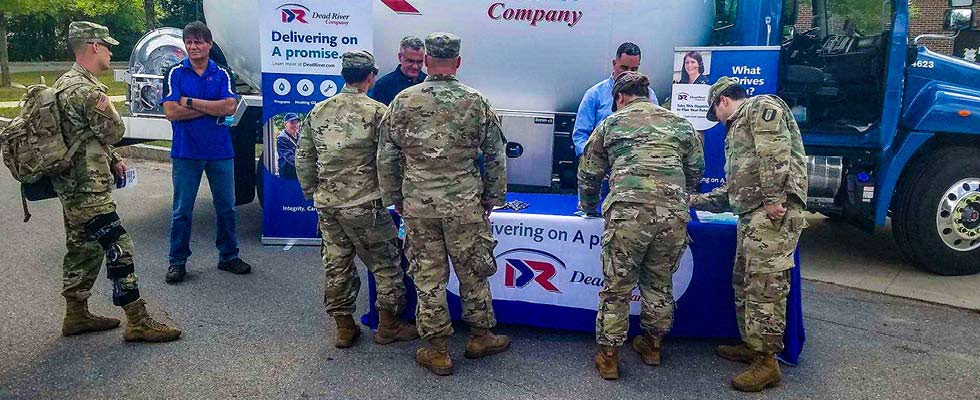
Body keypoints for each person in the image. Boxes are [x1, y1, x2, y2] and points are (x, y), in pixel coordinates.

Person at [378, 32, 509, 376]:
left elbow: (386, 155)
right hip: (465, 203)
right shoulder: (476, 100)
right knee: (474, 271)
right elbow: (496, 153)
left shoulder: (404, 100)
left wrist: (396, 198)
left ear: (426, 60)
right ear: (458, 62)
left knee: (428, 276)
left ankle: (437, 350)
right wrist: (493, 196)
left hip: (419, 204)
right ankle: (480, 335)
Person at [52, 21, 181, 342]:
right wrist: (112, 144)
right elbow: (114, 131)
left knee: (83, 248)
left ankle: (76, 314)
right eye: (107, 46)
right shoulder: (87, 91)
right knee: (119, 246)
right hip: (88, 188)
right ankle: (137, 320)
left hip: (71, 184)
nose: (111, 52)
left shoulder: (63, 83)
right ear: (93, 46)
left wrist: (113, 158)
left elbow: (87, 137)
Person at [579, 72, 704, 380]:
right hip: (673, 215)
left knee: (617, 286)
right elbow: (696, 170)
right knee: (659, 282)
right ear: (646, 94)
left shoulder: (611, 123)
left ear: (619, 98)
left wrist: (590, 207)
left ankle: (609, 357)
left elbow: (589, 173)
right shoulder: (678, 123)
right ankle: (652, 345)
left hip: (628, 216)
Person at [691, 77, 808, 392]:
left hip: (770, 214)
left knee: (765, 286)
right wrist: (692, 200)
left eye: (714, 113)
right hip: (752, 214)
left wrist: (772, 199)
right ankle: (753, 346)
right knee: (745, 282)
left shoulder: (760, 107)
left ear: (723, 101)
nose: (717, 121)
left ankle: (768, 362)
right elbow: (734, 191)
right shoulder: (741, 125)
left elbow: (774, 153)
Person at [295, 50, 419, 349]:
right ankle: (388, 327)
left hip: (329, 204)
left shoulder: (319, 110)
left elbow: (303, 157)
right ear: (370, 77)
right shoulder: (378, 112)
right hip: (366, 204)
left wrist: (312, 191)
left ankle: (344, 327)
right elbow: (392, 159)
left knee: (337, 265)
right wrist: (396, 196)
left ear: (343, 76)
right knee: (387, 265)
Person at [161, 21, 252, 283]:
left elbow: (230, 108)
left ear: (209, 45)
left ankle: (228, 256)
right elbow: (170, 112)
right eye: (189, 42)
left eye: (199, 42)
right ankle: (177, 261)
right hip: (186, 152)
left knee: (226, 208)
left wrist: (189, 101)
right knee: (182, 210)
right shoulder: (175, 73)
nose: (193, 47)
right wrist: (212, 107)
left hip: (220, 152)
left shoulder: (222, 73)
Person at [572, 42, 659, 157]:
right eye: (624, 68)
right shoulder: (594, 94)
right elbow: (580, 136)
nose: (628, 73)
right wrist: (592, 162)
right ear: (614, 63)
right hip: (603, 164)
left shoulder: (649, 95)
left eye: (634, 69)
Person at [368, 36, 428, 105]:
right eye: (410, 61)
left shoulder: (427, 83)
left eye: (419, 62)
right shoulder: (383, 86)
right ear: (400, 57)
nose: (415, 66)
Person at [276, 113, 301, 180]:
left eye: (296, 122)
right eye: (292, 123)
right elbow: (290, 158)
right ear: (285, 124)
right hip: (287, 175)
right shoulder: (281, 139)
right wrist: (306, 164)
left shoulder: (300, 137)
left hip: (299, 173)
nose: (295, 125)